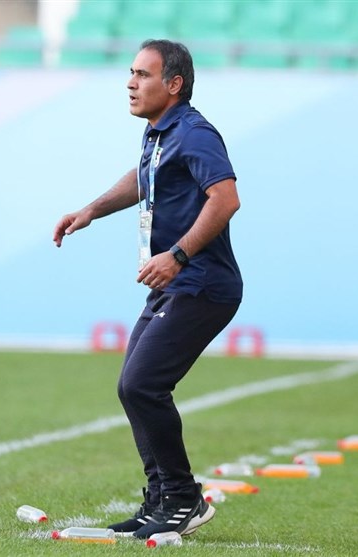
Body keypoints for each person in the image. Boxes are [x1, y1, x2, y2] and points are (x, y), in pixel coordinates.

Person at [53, 39, 242, 539]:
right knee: (132, 387)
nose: (130, 83)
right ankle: (161, 500)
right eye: (131, 73)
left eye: (143, 74)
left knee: (142, 385)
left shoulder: (195, 133)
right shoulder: (158, 133)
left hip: (203, 284)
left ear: (174, 84)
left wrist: (177, 255)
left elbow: (225, 200)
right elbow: (144, 178)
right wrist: (91, 210)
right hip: (174, 285)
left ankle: (182, 498)